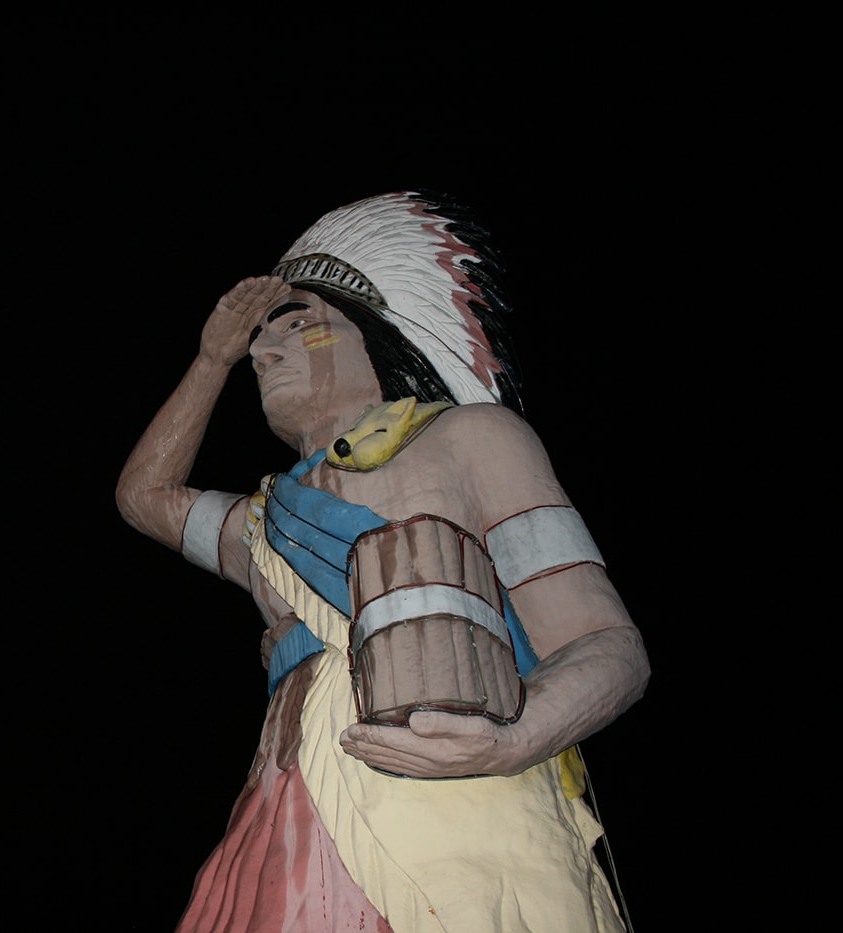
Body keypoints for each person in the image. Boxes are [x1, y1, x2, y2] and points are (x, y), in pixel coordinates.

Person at [115, 191, 650, 932]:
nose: (264, 351)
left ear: (378, 336)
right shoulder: (267, 525)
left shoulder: (472, 440)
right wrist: (212, 357)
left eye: (297, 322)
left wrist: (512, 741)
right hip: (283, 824)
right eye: (257, 341)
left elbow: (610, 644)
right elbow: (145, 495)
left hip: (463, 817)